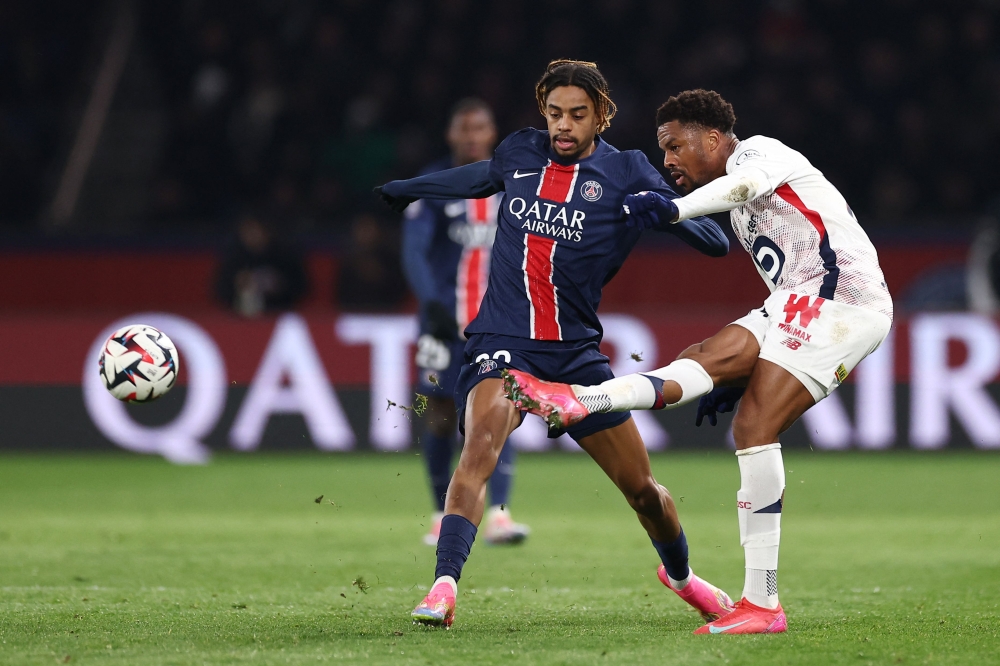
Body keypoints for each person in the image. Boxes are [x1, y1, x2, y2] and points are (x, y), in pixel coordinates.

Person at [504, 89, 894, 635]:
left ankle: (764, 604)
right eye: (663, 150)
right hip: (796, 302)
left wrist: (673, 208)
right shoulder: (735, 204)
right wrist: (746, 364)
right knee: (699, 361)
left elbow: (746, 185)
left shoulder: (761, 153)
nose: (667, 160)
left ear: (714, 138)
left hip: (842, 300)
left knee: (754, 426)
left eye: (675, 146)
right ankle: (576, 401)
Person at [375, 60, 732, 629]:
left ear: (601, 116)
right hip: (503, 341)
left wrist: (664, 211)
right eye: (554, 113)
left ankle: (683, 577)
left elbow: (715, 242)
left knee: (642, 490)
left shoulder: (629, 170)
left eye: (577, 115)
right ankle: (443, 586)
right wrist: (412, 191)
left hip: (576, 357)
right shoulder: (520, 151)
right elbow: (477, 177)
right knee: (478, 450)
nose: (563, 126)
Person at [402, 98, 529, 546]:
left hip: (499, 325)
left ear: (492, 133)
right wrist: (432, 303)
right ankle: (441, 515)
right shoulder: (436, 186)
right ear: (451, 135)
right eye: (464, 128)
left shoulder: (515, 182)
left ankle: (498, 514)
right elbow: (414, 249)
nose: (472, 136)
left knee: (501, 408)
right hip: (442, 323)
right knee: (437, 412)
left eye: (480, 128)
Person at [215, 212, 308, 316]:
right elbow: (220, 291)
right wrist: (236, 285)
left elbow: (301, 287)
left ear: (267, 231)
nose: (252, 235)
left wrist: (279, 285)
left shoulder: (284, 256)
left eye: (256, 230)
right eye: (248, 231)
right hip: (240, 317)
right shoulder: (234, 259)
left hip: (279, 314)